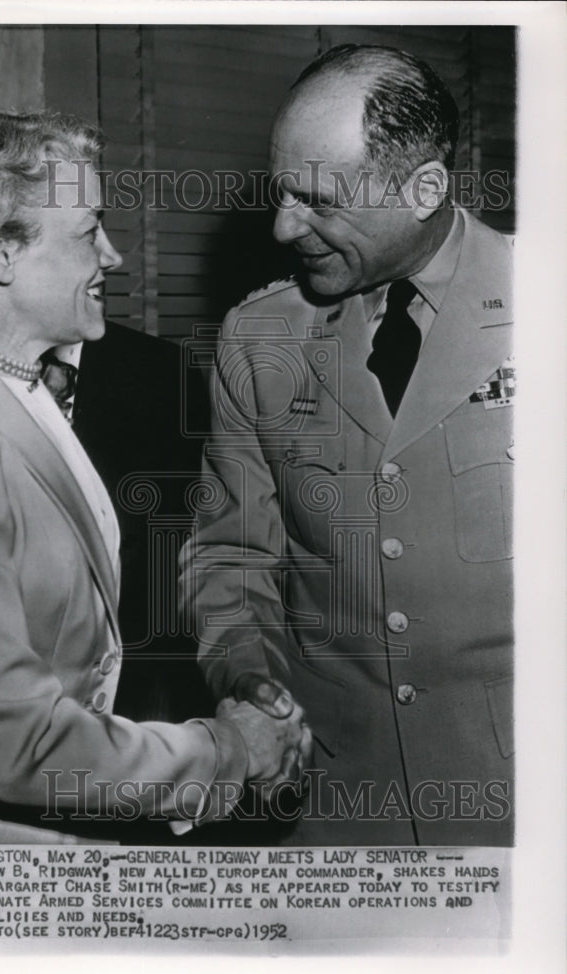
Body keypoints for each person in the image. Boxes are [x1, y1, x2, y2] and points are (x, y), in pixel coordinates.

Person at [0, 110, 310, 845]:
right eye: (87, 230)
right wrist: (227, 751)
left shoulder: (17, 396)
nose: (114, 255)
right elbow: (21, 744)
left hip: (53, 841)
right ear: (0, 253)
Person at [182, 45, 514, 846]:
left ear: (426, 189)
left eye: (319, 201)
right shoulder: (260, 335)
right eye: (281, 193)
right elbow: (230, 556)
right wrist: (250, 681)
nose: (284, 226)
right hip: (336, 807)